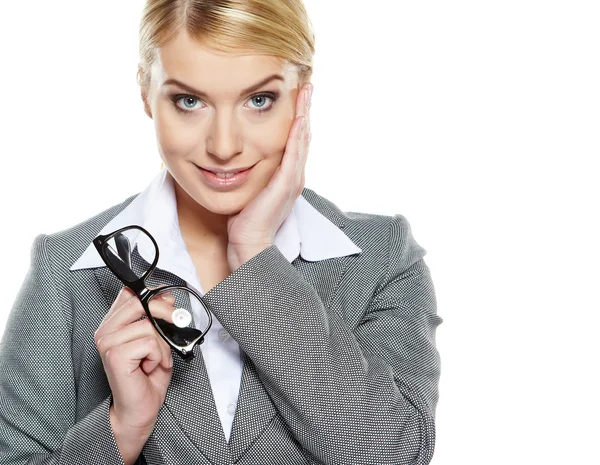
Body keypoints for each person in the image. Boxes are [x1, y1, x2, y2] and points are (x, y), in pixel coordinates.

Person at [0, 1, 442, 464]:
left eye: (259, 100)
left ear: (302, 95)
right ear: (146, 94)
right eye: (189, 101)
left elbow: (392, 454)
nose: (224, 146)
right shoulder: (67, 271)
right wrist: (120, 429)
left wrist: (255, 255)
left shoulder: (380, 260)